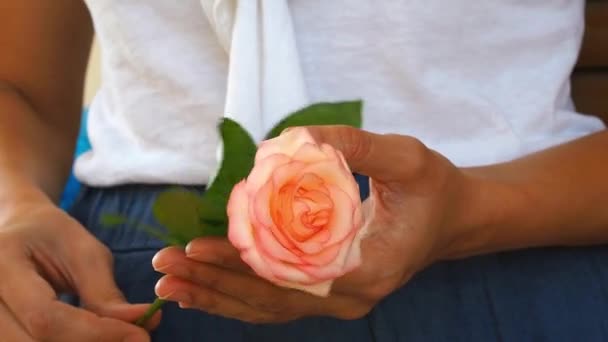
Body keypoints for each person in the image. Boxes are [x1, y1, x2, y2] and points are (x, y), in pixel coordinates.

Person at [1, 1, 607, 341]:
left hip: (512, 251)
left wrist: (471, 211)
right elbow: (17, 89)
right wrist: (13, 207)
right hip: (151, 284)